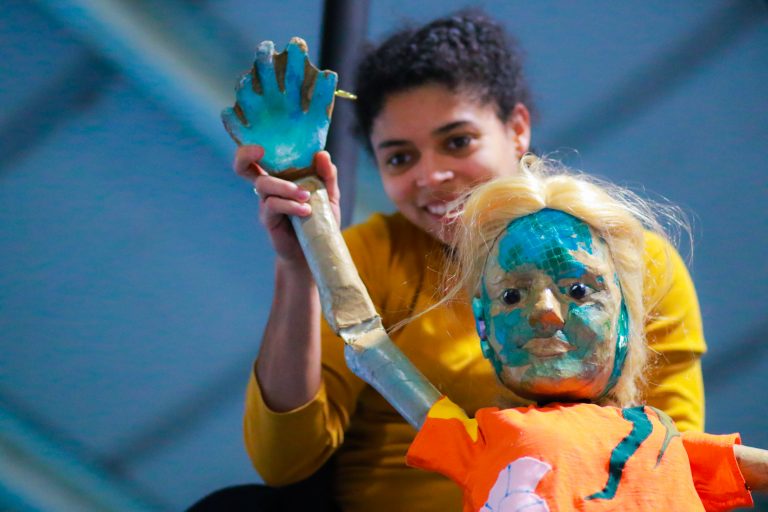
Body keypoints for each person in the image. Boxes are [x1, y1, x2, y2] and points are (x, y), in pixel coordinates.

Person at [225, 10, 705, 512]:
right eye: (399, 158)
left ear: (517, 128)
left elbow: (675, 468)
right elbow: (283, 463)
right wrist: (300, 262)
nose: (431, 175)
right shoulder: (369, 255)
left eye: (457, 142)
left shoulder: (631, 255)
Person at [344, 156, 763, 511]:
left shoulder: (659, 441)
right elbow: (370, 345)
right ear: (484, 327)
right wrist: (304, 193)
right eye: (511, 296)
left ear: (625, 321)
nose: (544, 311)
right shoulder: (483, 438)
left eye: (578, 290)